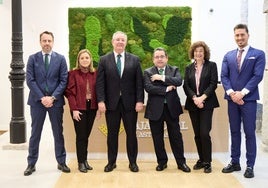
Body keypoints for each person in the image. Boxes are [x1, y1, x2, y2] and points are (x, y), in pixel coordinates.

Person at [221, 24, 266, 178]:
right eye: (237, 35)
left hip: (249, 100)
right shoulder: (228, 55)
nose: (239, 38)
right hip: (232, 99)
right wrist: (233, 93)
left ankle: (250, 165)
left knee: (249, 133)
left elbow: (257, 76)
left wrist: (243, 93)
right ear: (234, 36)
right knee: (234, 131)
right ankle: (235, 162)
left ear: (248, 35)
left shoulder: (258, 54)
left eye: (242, 35)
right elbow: (224, 77)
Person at [96, 31, 144, 172]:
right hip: (111, 105)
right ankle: (111, 162)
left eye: (122, 40)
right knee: (112, 135)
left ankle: (133, 162)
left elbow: (139, 83)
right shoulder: (104, 60)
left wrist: (140, 100)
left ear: (126, 42)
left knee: (131, 134)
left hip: (130, 104)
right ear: (112, 42)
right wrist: (101, 101)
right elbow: (100, 83)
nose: (120, 42)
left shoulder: (134, 59)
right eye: (117, 39)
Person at [24, 31, 70, 176]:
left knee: (58, 132)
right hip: (37, 102)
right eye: (44, 41)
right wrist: (42, 98)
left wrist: (52, 97)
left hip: (55, 103)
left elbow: (64, 81)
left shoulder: (61, 59)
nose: (47, 43)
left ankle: (61, 162)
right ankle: (31, 164)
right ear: (40, 42)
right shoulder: (32, 59)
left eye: (49, 41)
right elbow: (30, 80)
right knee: (35, 133)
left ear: (53, 42)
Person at [144, 47, 191, 173]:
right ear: (153, 59)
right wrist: (166, 89)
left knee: (176, 137)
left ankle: (181, 163)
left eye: (162, 56)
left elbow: (178, 81)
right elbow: (149, 88)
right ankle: (162, 162)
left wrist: (161, 78)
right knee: (157, 138)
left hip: (172, 109)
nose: (159, 59)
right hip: (155, 109)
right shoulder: (148, 72)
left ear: (166, 58)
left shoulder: (174, 69)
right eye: (157, 57)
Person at [183, 41, 219, 173]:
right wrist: (195, 98)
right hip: (193, 103)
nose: (198, 53)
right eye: (196, 51)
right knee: (197, 134)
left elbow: (213, 83)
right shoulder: (188, 68)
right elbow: (186, 86)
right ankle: (201, 159)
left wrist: (202, 98)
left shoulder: (211, 65)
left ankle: (207, 162)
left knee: (204, 133)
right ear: (193, 53)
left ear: (205, 53)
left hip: (207, 103)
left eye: (201, 51)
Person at [65, 49, 100, 173]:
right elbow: (69, 93)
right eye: (82, 58)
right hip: (79, 108)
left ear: (90, 60)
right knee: (81, 136)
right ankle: (80, 162)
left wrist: (99, 107)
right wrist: (74, 109)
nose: (85, 60)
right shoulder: (72, 74)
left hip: (91, 108)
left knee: (86, 136)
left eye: (87, 58)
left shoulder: (95, 74)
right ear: (78, 60)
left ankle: (85, 161)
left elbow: (99, 91)